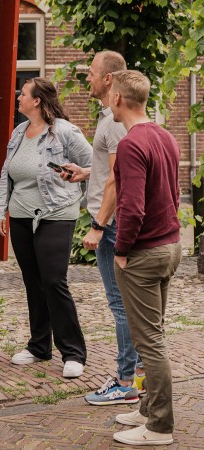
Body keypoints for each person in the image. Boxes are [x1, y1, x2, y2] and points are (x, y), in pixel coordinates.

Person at [0, 78, 91, 378]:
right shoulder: (19, 132)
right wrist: (1, 211)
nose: (17, 97)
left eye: (22, 94)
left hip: (57, 212)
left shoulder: (65, 131)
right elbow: (6, 174)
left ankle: (73, 352)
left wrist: (83, 186)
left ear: (36, 101)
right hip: (21, 214)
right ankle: (39, 346)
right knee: (32, 280)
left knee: (53, 280)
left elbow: (98, 165)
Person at [61, 51, 144, 405]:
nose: (88, 79)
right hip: (111, 221)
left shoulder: (113, 121)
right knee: (127, 304)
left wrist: (99, 225)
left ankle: (126, 381)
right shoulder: (108, 118)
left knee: (121, 304)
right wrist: (84, 173)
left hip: (111, 225)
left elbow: (117, 179)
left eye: (92, 73)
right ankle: (138, 377)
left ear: (110, 81)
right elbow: (110, 171)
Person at [108, 70, 182, 446]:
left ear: (118, 98)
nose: (107, 101)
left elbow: (132, 208)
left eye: (109, 95)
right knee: (154, 335)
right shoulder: (165, 136)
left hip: (144, 252)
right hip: (170, 246)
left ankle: (159, 428)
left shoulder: (131, 144)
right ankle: (147, 410)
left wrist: (121, 251)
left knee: (150, 340)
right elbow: (173, 190)